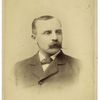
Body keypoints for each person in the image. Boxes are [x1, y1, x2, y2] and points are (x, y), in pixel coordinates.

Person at [15, 15, 80, 88]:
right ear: (34, 38)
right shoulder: (18, 69)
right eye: (48, 33)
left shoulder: (78, 67)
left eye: (58, 32)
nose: (55, 38)